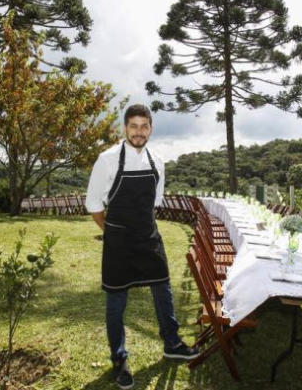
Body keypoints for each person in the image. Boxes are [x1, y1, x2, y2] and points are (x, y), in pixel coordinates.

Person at [85, 104, 199, 389]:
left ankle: (172, 343)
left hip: (148, 236)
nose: (139, 132)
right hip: (119, 242)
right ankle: (119, 360)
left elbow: (155, 203)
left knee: (163, 287)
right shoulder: (108, 160)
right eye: (133, 126)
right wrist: (112, 232)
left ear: (150, 129)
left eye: (144, 126)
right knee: (116, 303)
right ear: (124, 128)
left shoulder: (157, 161)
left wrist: (142, 229)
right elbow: (94, 206)